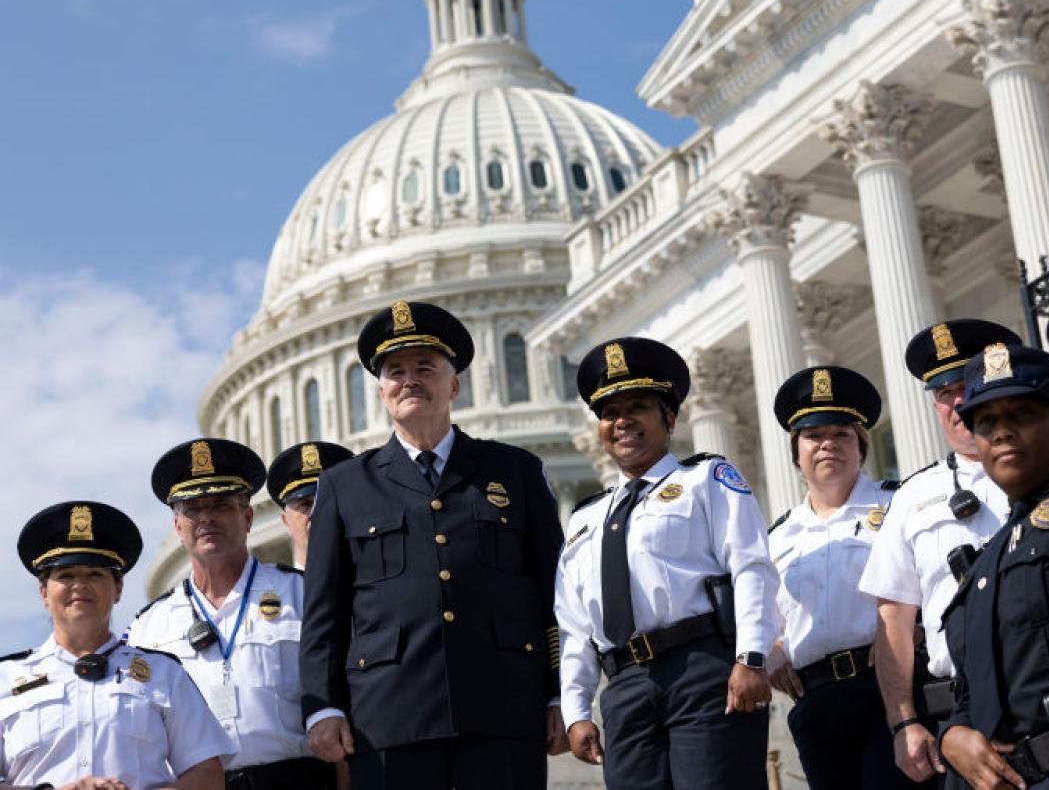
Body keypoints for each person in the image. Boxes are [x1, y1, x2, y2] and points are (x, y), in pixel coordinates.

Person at [299, 300, 566, 790]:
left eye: (425, 367)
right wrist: (324, 706)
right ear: (382, 393)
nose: (410, 380)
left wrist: (558, 693)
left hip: (503, 709)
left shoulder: (514, 472)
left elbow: (553, 595)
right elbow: (324, 612)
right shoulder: (344, 485)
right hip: (389, 718)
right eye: (395, 371)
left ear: (455, 384)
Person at [555, 336, 780, 788]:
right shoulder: (586, 518)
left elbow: (752, 567)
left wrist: (751, 657)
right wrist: (576, 710)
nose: (622, 422)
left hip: (702, 669)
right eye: (609, 414)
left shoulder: (706, 479)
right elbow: (574, 626)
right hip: (624, 687)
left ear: (670, 418)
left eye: (636, 407)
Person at [858, 319, 1021, 783]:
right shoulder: (913, 497)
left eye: (967, 384)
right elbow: (894, 621)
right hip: (964, 714)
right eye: (943, 392)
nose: (958, 402)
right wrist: (905, 721)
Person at [937, 343, 1049, 790]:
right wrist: (951, 734)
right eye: (987, 423)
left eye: (1021, 414)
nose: (1001, 432)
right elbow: (977, 688)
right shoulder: (987, 559)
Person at [127, 438, 337, 790]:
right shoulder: (149, 627)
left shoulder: (302, 594)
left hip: (296, 779)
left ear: (248, 516)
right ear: (178, 527)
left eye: (221, 504)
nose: (207, 517)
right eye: (192, 508)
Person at [766, 364, 925, 790]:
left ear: (862, 447)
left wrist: (910, 628)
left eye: (841, 434)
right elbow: (767, 618)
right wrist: (773, 651)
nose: (827, 446)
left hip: (887, 691)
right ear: (796, 452)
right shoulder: (777, 536)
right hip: (816, 702)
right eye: (813, 436)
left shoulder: (898, 507)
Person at [3, 500, 234, 789]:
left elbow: (208, 775)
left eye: (95, 574)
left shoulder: (164, 674)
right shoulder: (5, 680)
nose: (80, 585)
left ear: (119, 589)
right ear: (44, 593)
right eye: (66, 575)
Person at [266, 441, 355, 569]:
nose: (317, 512)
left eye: (328, 501)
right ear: (286, 522)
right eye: (306, 504)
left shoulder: (375, 584)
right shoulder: (277, 588)